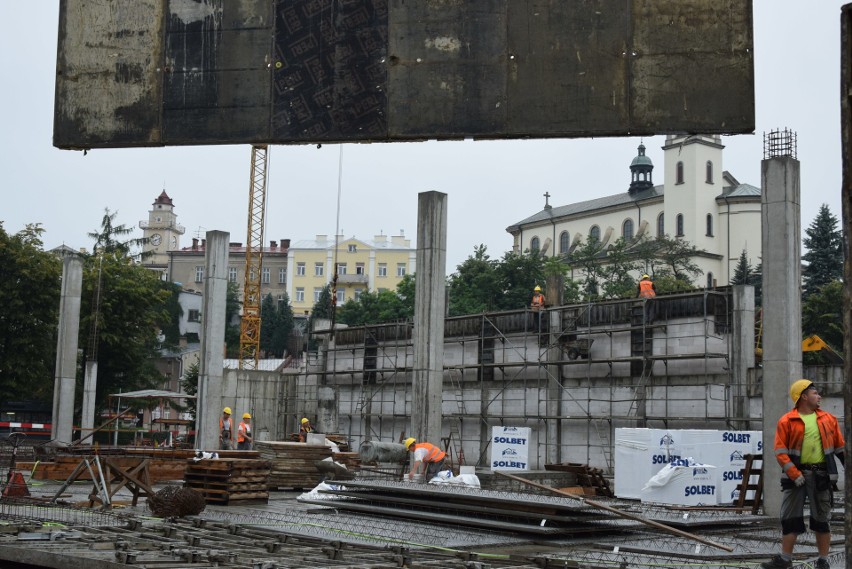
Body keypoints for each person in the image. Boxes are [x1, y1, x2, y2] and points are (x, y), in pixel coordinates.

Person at [761, 380, 845, 569]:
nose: (819, 396)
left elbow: (840, 448)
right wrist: (793, 473)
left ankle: (823, 562)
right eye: (815, 393)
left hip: (821, 476)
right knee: (790, 520)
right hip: (795, 478)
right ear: (803, 396)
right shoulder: (787, 421)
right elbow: (780, 451)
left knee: (822, 520)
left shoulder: (828, 419)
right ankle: (785, 559)